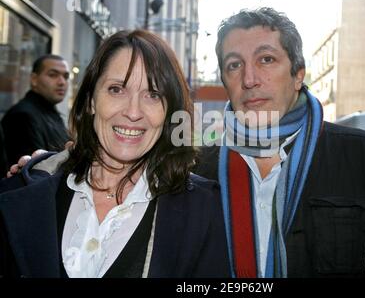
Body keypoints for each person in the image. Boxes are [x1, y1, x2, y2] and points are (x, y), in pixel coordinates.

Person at [5, 8, 365, 278]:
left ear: (298, 73)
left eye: (266, 59)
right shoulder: (195, 170)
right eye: (234, 64)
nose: (249, 78)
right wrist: (45, 168)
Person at [0, 30, 229, 278]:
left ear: (169, 113)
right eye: (116, 89)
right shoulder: (24, 193)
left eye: (153, 95)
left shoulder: (204, 213)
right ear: (90, 100)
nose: (133, 112)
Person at [1, 55, 70, 167]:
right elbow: (34, 170)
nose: (62, 82)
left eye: (66, 76)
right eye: (53, 75)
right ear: (34, 80)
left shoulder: (50, 113)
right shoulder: (22, 116)